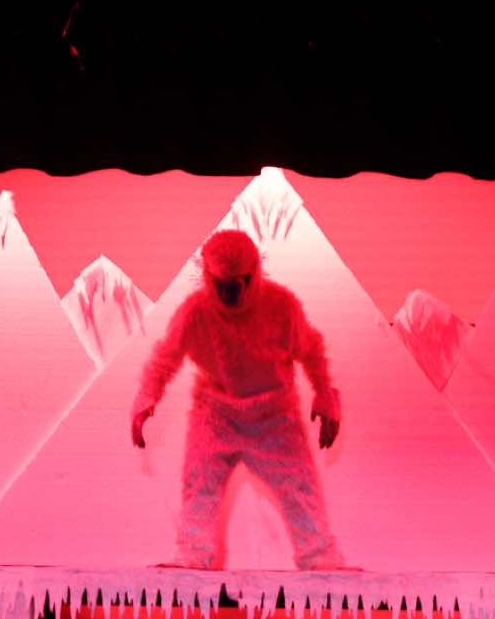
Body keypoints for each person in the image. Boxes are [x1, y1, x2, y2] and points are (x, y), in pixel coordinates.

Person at [131, 228, 344, 570]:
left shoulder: (281, 306)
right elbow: (165, 357)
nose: (229, 295)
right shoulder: (196, 312)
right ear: (208, 277)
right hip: (216, 413)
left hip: (275, 415)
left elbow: (311, 349)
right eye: (221, 285)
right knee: (200, 484)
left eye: (236, 285)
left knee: (299, 489)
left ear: (252, 275)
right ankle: (192, 554)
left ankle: (319, 558)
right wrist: (146, 397)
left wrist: (324, 392)